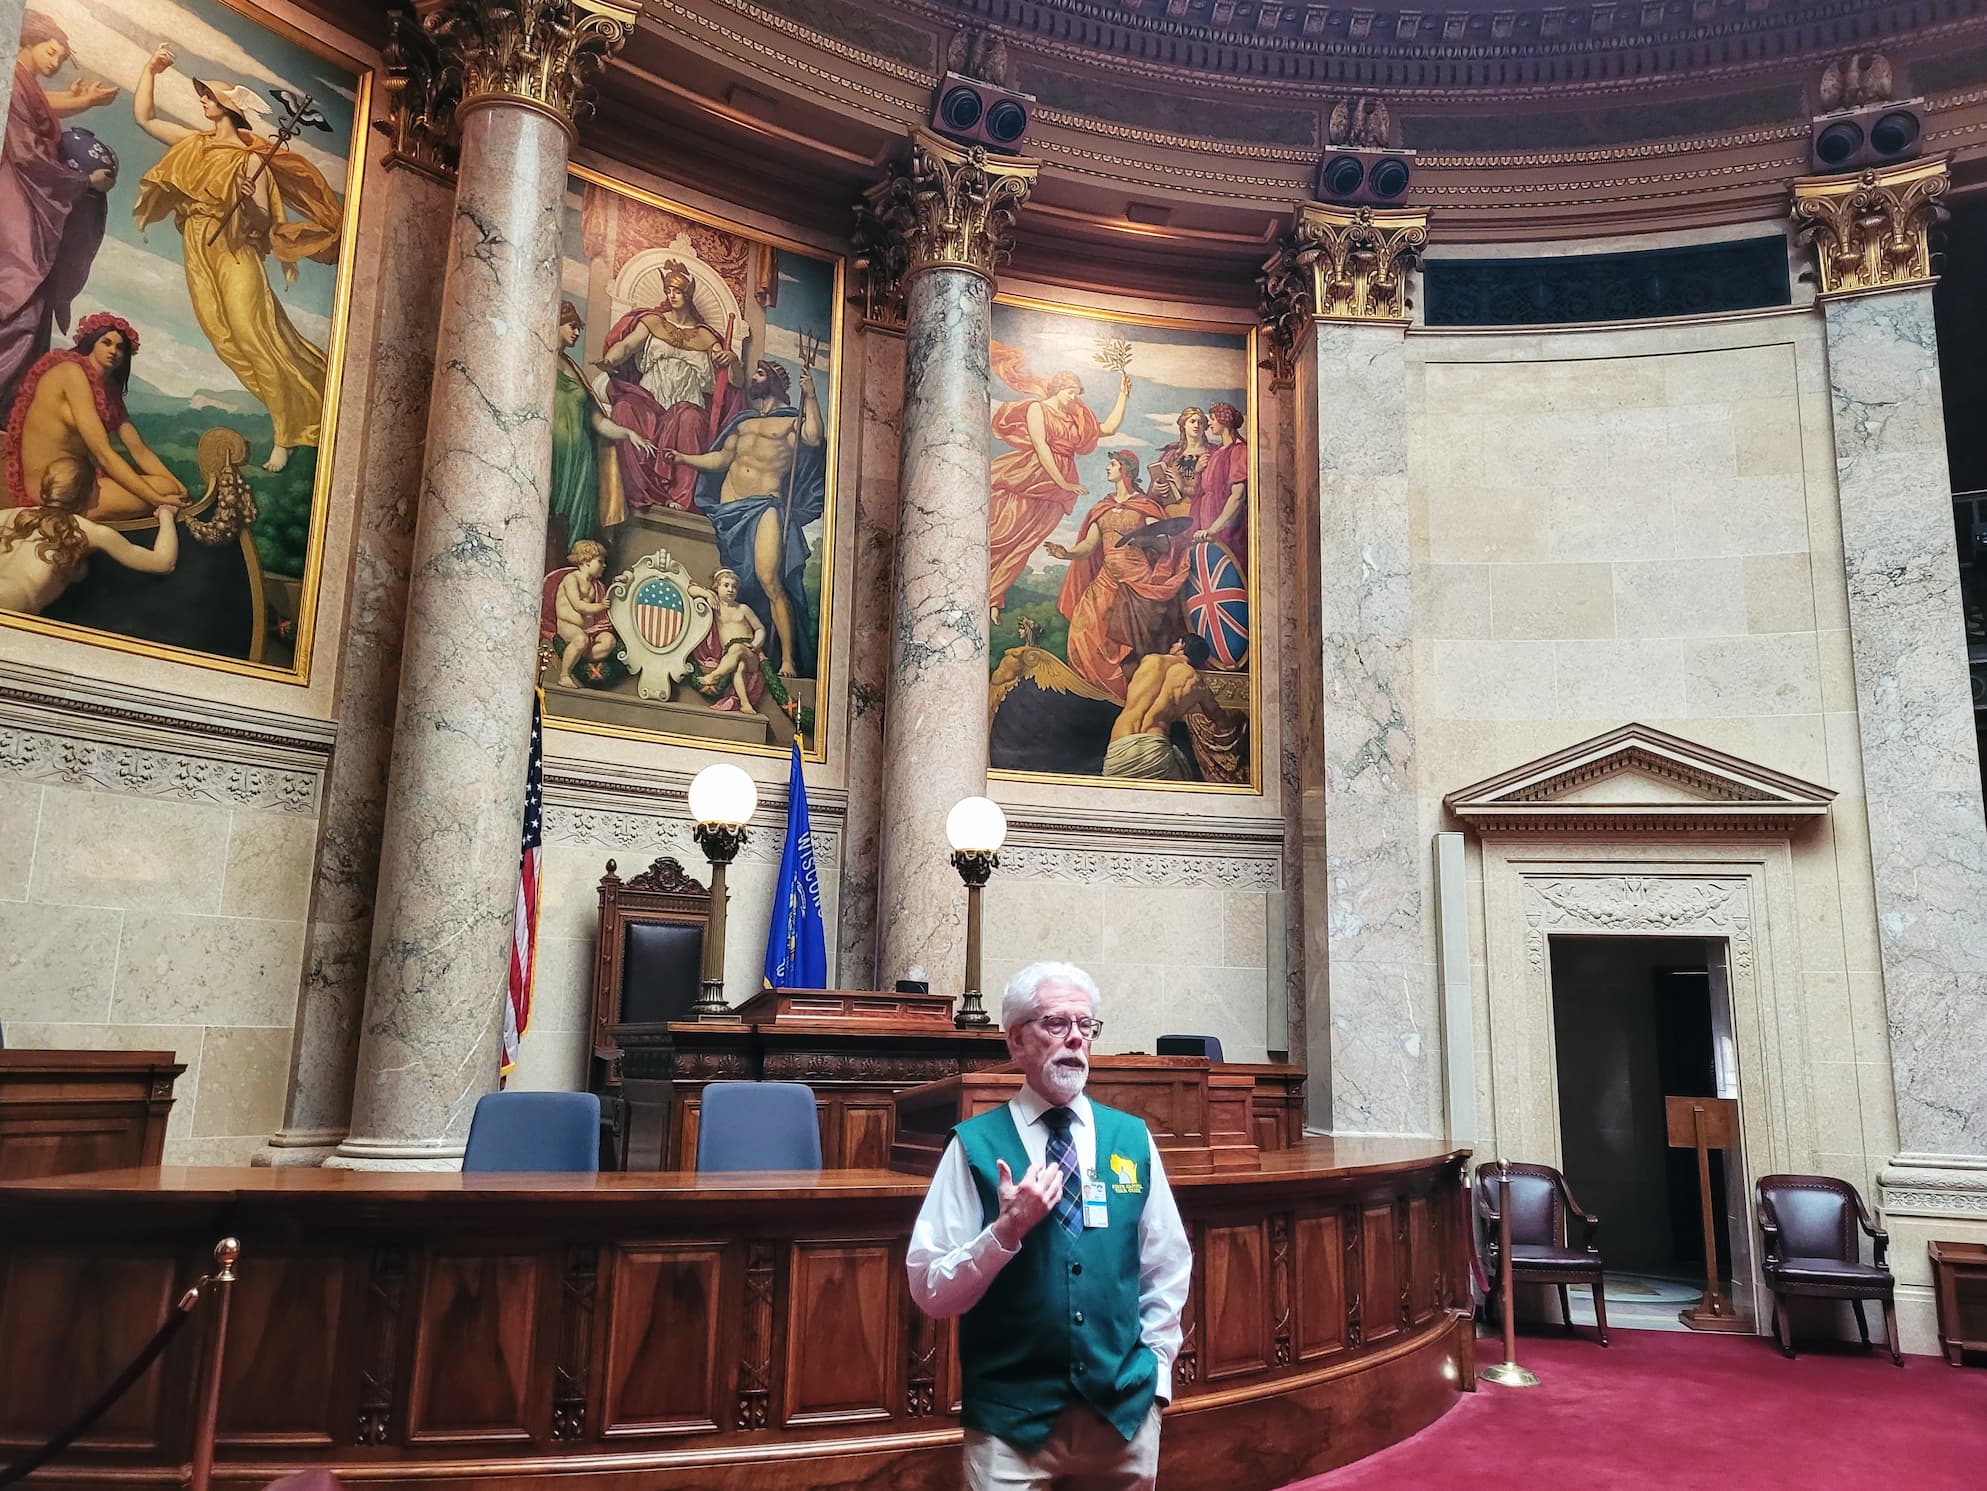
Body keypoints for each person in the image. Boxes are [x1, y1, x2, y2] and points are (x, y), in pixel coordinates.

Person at [907, 961, 1190, 1491]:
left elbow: (1167, 1264)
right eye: (1057, 1024)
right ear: (1015, 1041)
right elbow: (929, 1289)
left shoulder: (1131, 1139)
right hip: (1011, 1428)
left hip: (1122, 1416)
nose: (1076, 1040)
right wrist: (1004, 1232)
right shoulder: (974, 1146)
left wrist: (1155, 1374)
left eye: (1087, 1026)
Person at [131, 44, 343, 472]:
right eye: (204, 95)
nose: (203, 100)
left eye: (209, 96)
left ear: (228, 108)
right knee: (222, 336)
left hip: (235, 251)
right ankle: (298, 411)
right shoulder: (195, 145)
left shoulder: (249, 161)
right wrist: (150, 70)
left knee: (252, 336)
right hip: (199, 246)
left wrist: (248, 203)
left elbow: (262, 222)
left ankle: (285, 436)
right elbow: (146, 119)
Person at [663, 351, 825, 678]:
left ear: (776, 382)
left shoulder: (791, 421)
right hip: (730, 508)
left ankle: (789, 659)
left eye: (761, 374)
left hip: (765, 504)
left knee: (769, 578)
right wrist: (683, 458)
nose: (754, 378)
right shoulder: (743, 422)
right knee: (730, 580)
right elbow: (720, 460)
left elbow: (814, 438)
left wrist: (811, 396)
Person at [0, 11, 118, 414]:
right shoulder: (13, 81)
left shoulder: (24, 85)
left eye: (60, 55)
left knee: (34, 300)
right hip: (17, 197)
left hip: (29, 199)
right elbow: (27, 154)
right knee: (21, 296)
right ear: (29, 42)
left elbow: (44, 110)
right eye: (51, 51)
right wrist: (84, 183)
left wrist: (85, 100)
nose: (55, 61)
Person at [987, 343, 1130, 620]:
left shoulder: (1074, 419)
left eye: (1077, 393)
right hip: (1032, 476)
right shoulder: (1037, 410)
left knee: (1027, 543)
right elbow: (1041, 447)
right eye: (1070, 392)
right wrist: (1063, 483)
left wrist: (1123, 395)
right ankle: (979, 590)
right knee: (1004, 533)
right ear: (1057, 389)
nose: (1075, 398)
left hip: (1058, 489)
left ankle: (994, 595)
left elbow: (1109, 429)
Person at [3, 313, 185, 518]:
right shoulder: (71, 373)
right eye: (106, 343)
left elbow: (139, 450)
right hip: (53, 490)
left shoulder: (109, 390)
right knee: (163, 489)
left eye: (120, 347)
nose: (113, 351)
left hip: (80, 482)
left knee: (168, 485)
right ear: (91, 343)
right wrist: (157, 499)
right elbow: (103, 454)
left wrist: (181, 488)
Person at [596, 260, 742, 512]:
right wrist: (610, 359)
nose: (671, 295)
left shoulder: (706, 336)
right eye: (668, 290)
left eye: (677, 291)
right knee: (625, 408)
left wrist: (733, 360)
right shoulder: (653, 322)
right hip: (649, 397)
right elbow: (628, 345)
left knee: (691, 419)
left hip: (687, 402)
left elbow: (734, 381)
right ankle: (638, 491)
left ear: (688, 293)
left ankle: (679, 497)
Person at [1045, 451, 1192, 700]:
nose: (1107, 469)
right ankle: (1094, 695)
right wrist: (1066, 553)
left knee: (1130, 645)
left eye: (1112, 464)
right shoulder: (1102, 507)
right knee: (1082, 631)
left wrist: (1143, 539)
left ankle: (1126, 697)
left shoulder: (1144, 506)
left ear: (1125, 469)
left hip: (1137, 583)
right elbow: (1090, 546)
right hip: (1105, 581)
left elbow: (1166, 545)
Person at [0, 454, 178, 616]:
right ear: (90, 491)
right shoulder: (90, 531)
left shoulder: (11, 514)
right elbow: (163, 562)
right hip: (11, 607)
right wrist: (166, 516)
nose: (100, 489)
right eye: (97, 485)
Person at [550, 300, 653, 549]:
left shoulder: (574, 370)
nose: (576, 333)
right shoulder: (538, 361)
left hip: (581, 456)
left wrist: (628, 433)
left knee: (576, 519)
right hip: (552, 454)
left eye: (578, 328)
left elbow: (597, 420)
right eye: (571, 326)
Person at [1103, 635, 1240, 781]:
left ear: (1181, 644)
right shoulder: (1197, 683)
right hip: (1154, 749)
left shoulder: (1150, 660)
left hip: (1119, 745)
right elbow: (1219, 718)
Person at [687, 567, 766, 712]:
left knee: (738, 649)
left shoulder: (743, 609)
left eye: (734, 587)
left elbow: (760, 629)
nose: (730, 589)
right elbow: (690, 589)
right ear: (717, 587)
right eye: (726, 585)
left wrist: (756, 643)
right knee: (739, 666)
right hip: (730, 656)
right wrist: (706, 594)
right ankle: (745, 704)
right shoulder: (715, 605)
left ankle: (714, 676)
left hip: (750, 653)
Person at [1189, 401, 1248, 579]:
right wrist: (1198, 471)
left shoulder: (1238, 451)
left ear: (1224, 421)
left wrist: (1214, 529)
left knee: (1226, 577)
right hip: (1207, 525)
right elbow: (1203, 491)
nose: (1210, 423)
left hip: (1226, 529)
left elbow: (1237, 496)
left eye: (1213, 419)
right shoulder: (1215, 453)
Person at [550, 540, 617, 688]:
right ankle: (565, 675)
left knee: (609, 640)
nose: (604, 565)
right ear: (586, 561)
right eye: (600, 561)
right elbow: (577, 605)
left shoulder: (595, 586)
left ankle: (580, 658)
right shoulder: (571, 579)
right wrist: (599, 606)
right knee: (580, 639)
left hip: (589, 629)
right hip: (568, 625)